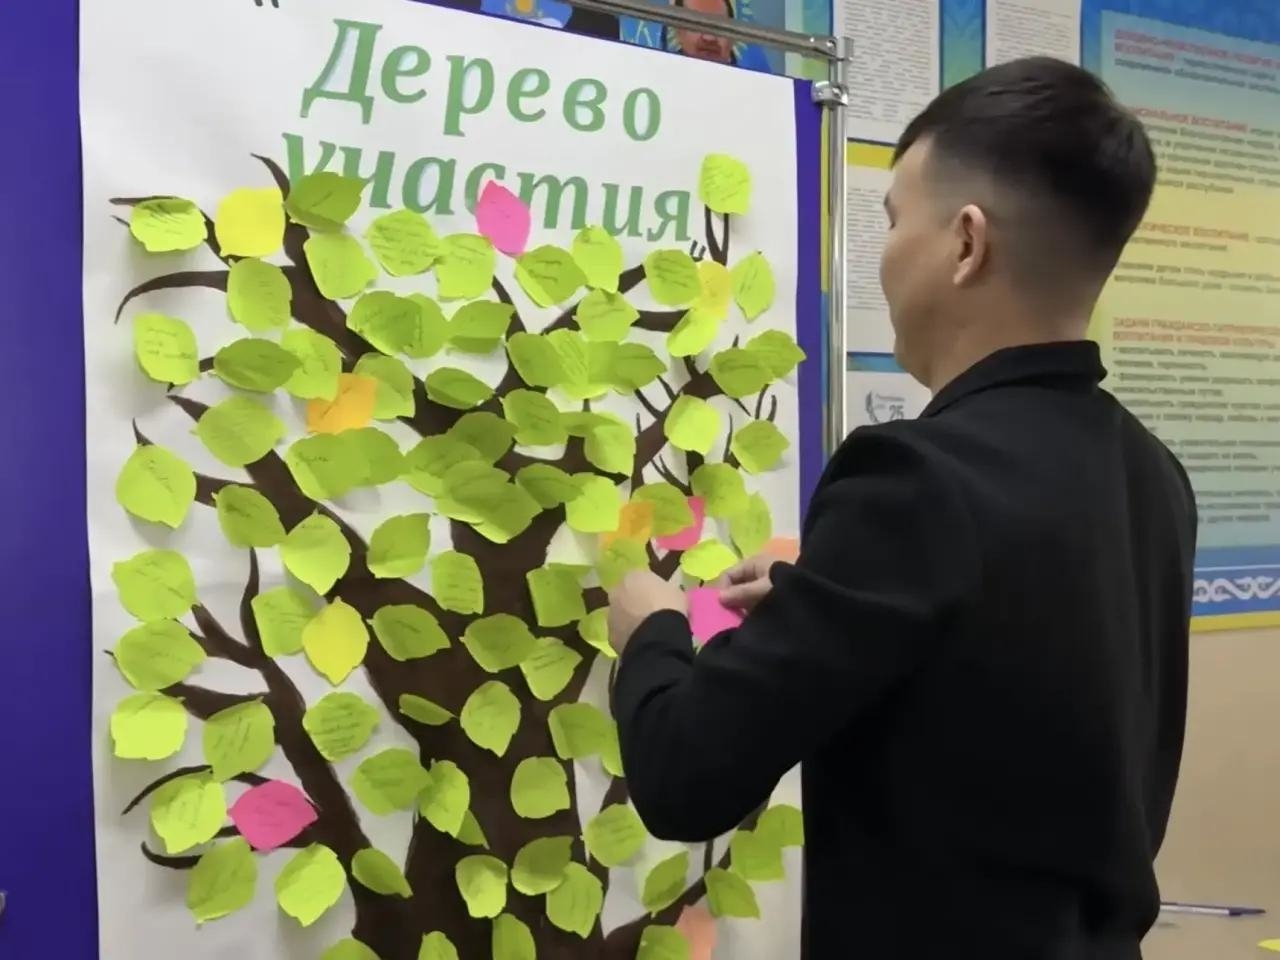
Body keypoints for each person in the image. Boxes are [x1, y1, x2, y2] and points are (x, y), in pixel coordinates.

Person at [607, 56, 1196, 959]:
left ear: (966, 243)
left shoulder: (913, 480)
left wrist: (649, 633)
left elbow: (685, 778)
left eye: (891, 220)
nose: (881, 257)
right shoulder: (1152, 474)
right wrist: (826, 596)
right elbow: (1011, 671)